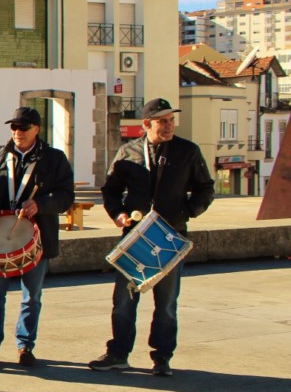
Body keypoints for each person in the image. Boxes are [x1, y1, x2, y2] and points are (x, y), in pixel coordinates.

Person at [90, 98, 214, 377]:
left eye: (171, 120)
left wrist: (187, 211)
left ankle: (162, 358)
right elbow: (110, 190)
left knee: (166, 304)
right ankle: (118, 354)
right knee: (123, 300)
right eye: (162, 121)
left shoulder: (187, 151)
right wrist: (118, 214)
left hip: (171, 237)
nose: (169, 125)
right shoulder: (128, 152)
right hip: (135, 237)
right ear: (146, 124)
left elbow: (205, 188)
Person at [0, 106, 74, 367]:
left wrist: (41, 204)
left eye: (23, 127)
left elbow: (66, 196)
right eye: (14, 127)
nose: (17, 132)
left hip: (36, 239)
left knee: (31, 297)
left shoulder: (54, 159)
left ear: (37, 130)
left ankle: (25, 346)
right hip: (0, 239)